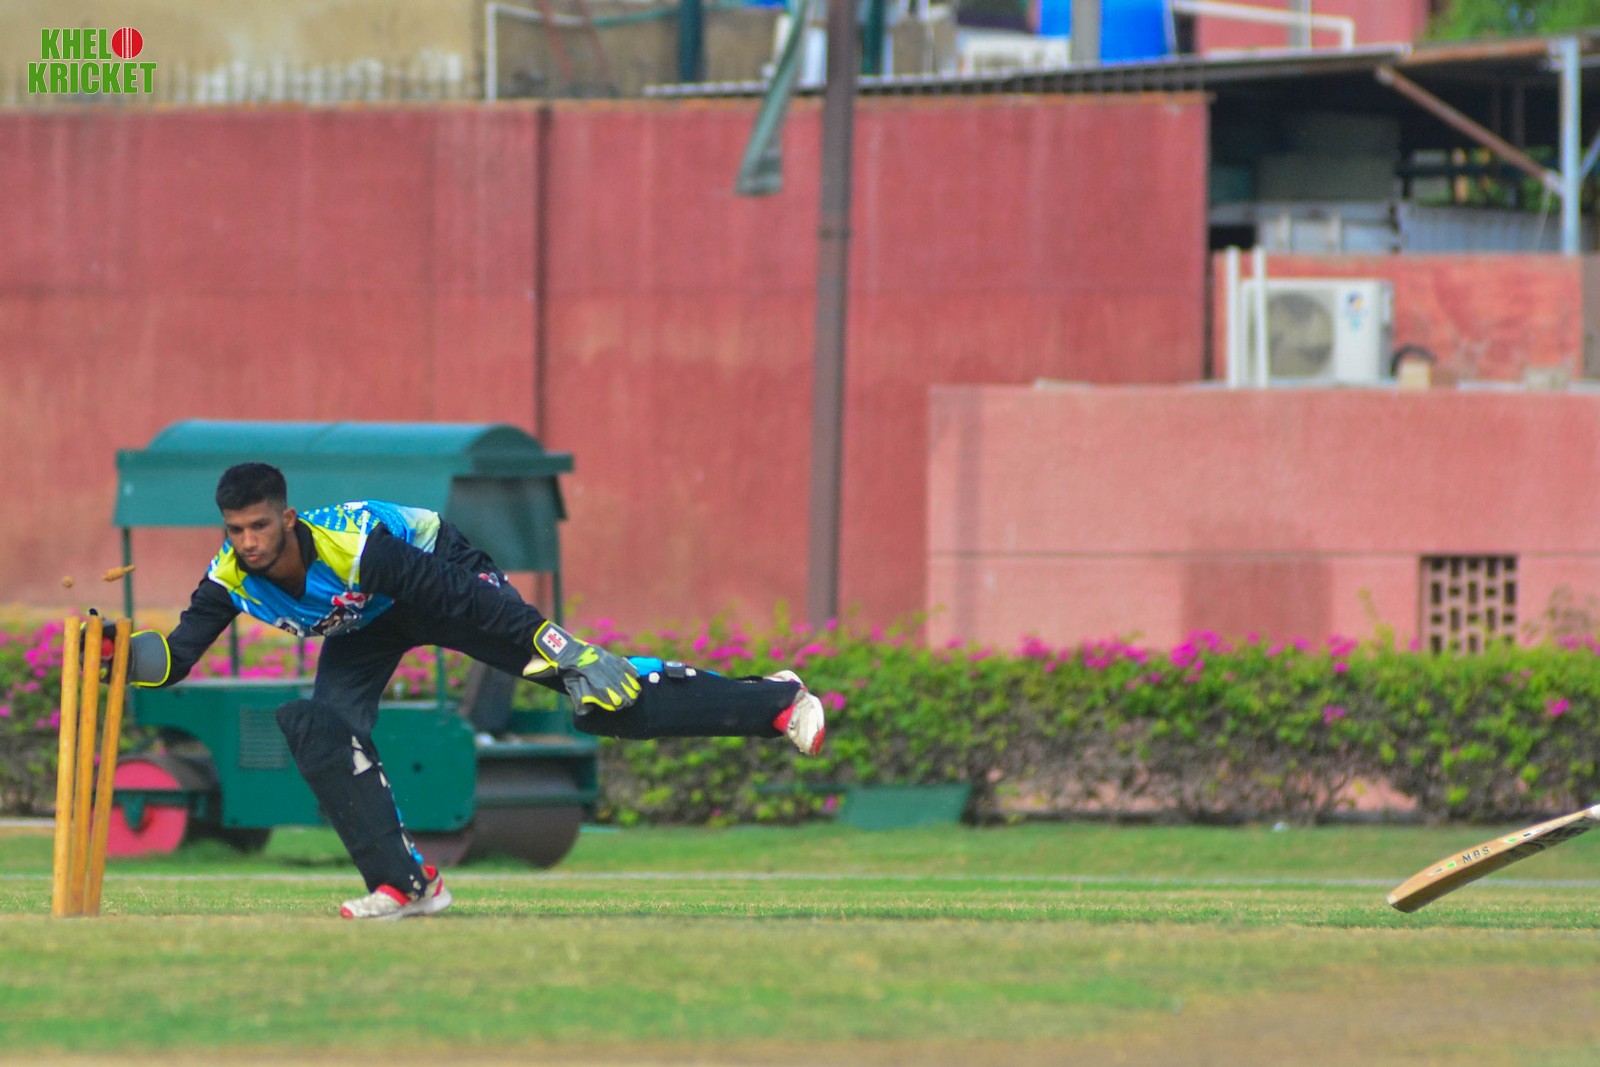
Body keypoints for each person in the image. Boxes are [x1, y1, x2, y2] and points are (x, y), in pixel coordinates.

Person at [118, 462, 826, 920]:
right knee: (320, 727)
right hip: (366, 624)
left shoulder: (356, 546)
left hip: (436, 575)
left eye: (260, 526)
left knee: (604, 703)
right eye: (237, 530)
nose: (249, 542)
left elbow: (460, 599)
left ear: (288, 517)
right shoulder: (229, 577)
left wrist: (561, 648)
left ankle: (777, 701)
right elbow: (176, 655)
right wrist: (121, 659)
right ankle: (407, 884)